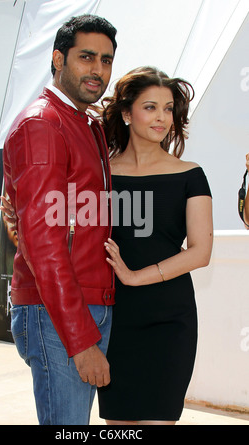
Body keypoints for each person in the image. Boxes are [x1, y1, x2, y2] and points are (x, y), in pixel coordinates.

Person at [2, 14, 117, 425]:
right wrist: (81, 339)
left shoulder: (86, 124)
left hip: (87, 304)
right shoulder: (43, 125)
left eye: (106, 60)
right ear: (57, 59)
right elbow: (42, 242)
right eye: (86, 57)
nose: (97, 70)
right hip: (58, 314)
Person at [97, 66, 213, 425]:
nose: (162, 117)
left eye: (168, 108)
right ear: (127, 113)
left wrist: (134, 277)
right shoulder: (100, 173)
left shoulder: (190, 174)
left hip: (169, 320)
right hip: (113, 320)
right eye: (150, 107)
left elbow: (200, 251)